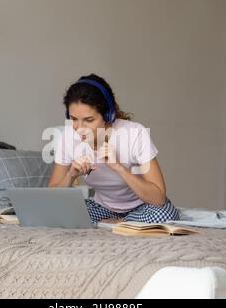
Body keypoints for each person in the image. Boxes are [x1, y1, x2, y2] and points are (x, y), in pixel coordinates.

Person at [48, 74, 180, 223]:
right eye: (73, 119)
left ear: (108, 115)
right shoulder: (68, 138)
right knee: (59, 214)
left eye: (89, 120)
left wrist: (119, 167)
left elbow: (158, 198)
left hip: (143, 207)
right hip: (102, 208)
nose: (79, 128)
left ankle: (115, 223)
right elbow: (52, 198)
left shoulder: (135, 133)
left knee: (164, 216)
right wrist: (70, 175)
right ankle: (123, 224)